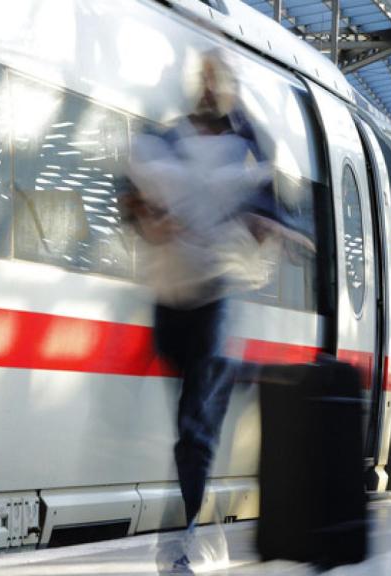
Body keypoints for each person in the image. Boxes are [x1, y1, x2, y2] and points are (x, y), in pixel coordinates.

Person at [124, 50, 310, 573]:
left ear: (231, 90)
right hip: (170, 297)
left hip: (214, 293)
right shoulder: (164, 140)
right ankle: (243, 375)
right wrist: (148, 218)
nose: (209, 90)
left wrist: (271, 227)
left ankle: (183, 539)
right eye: (203, 80)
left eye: (217, 81)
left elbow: (278, 207)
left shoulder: (248, 147)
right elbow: (131, 197)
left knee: (195, 424)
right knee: (192, 413)